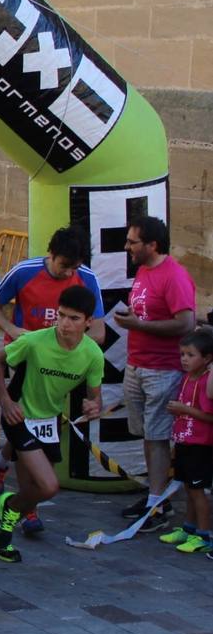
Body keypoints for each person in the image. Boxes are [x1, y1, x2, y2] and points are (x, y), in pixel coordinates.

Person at [0, 286, 104, 562]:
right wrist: (5, 400)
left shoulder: (93, 354)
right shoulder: (35, 341)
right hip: (19, 416)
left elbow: (94, 397)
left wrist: (92, 406)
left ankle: (1, 530)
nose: (64, 324)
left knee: (33, 493)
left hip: (48, 421)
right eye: (61, 316)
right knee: (48, 486)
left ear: (88, 322)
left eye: (73, 318)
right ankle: (5, 516)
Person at [113, 215, 198, 530]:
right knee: (148, 435)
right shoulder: (144, 270)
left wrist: (140, 325)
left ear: (151, 244)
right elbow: (148, 311)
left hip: (162, 370)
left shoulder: (174, 276)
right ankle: (155, 496)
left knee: (158, 436)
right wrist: (135, 319)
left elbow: (186, 323)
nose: (127, 247)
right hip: (137, 364)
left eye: (132, 241)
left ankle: (158, 505)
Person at [0, 227, 106, 345]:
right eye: (64, 266)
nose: (69, 273)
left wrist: (63, 346)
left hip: (65, 355)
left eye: (75, 268)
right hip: (25, 349)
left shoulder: (88, 278)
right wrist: (11, 329)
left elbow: (98, 332)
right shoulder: (23, 271)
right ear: (51, 254)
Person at [161, 328, 213, 553]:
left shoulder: (205, 382)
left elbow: (209, 416)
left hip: (200, 445)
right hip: (184, 442)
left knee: (198, 491)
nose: (184, 359)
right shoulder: (185, 378)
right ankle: (188, 529)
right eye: (182, 354)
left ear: (207, 358)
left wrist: (185, 409)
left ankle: (204, 535)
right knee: (188, 489)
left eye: (190, 355)